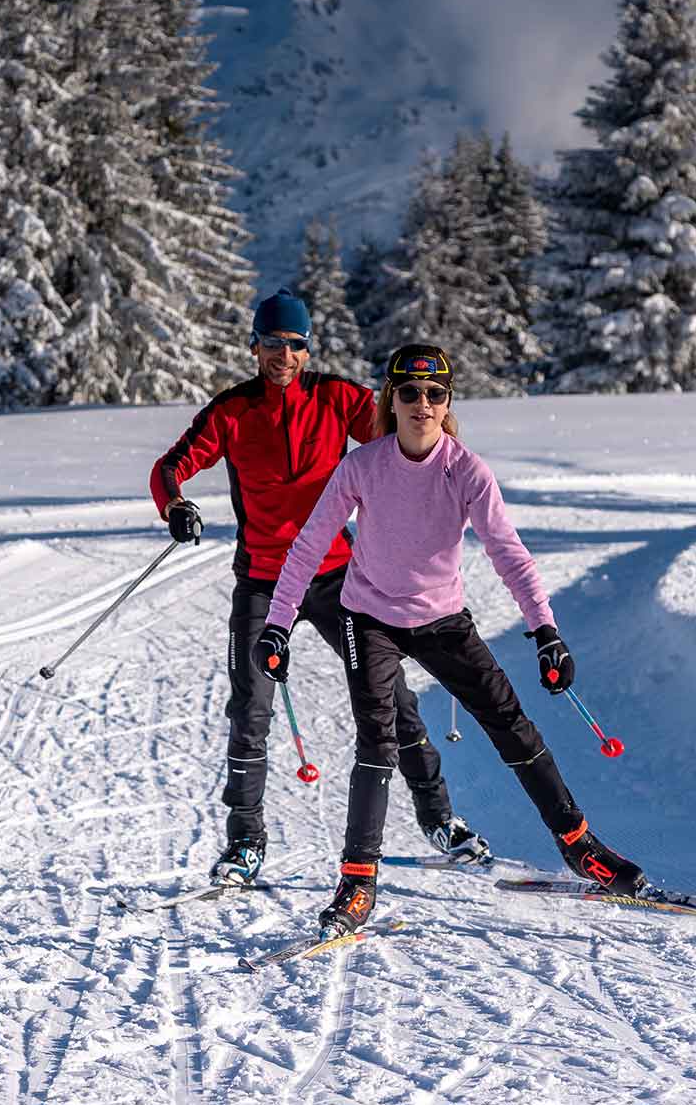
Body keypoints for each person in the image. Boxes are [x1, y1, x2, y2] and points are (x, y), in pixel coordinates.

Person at [260, 343, 645, 940]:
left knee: (510, 723)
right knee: (378, 738)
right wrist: (278, 624)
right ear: (392, 400)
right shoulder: (364, 466)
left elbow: (508, 553)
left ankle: (580, 847)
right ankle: (358, 883)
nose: (422, 404)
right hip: (370, 619)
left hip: (442, 620)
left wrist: (546, 631)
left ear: (447, 403)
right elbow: (310, 545)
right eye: (409, 393)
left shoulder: (466, 470)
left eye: (434, 394)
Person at [151, 291, 487, 887]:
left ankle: (439, 819)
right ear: (254, 346)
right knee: (250, 710)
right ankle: (245, 843)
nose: (285, 354)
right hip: (261, 581)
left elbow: (410, 432)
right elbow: (171, 465)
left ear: (309, 350)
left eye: (296, 344)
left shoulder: (338, 400)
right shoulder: (231, 412)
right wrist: (173, 502)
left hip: (340, 579)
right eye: (274, 343)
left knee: (392, 700)